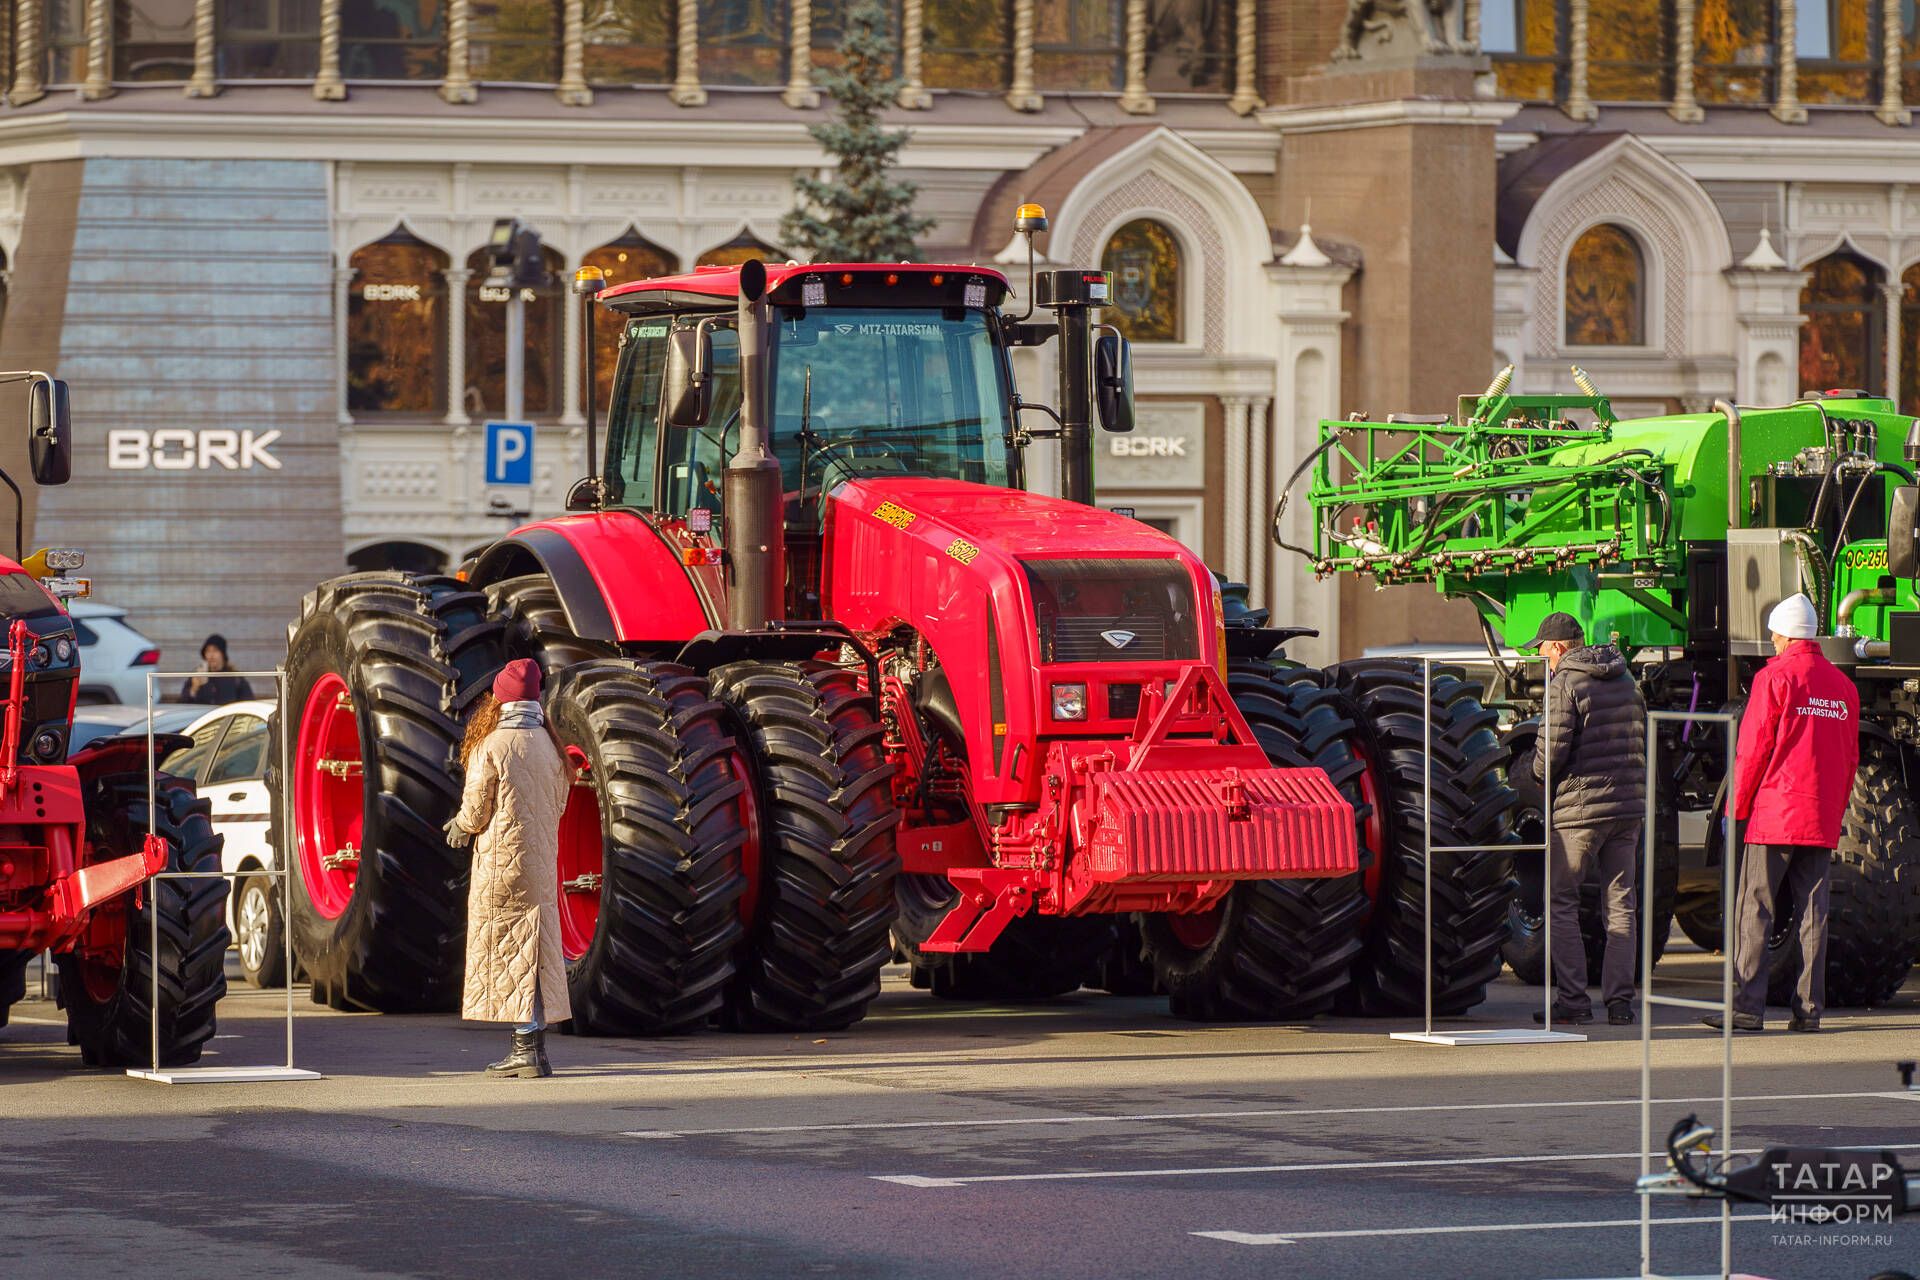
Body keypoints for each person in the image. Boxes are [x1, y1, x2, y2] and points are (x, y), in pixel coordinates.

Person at [1706, 593, 1858, 1034]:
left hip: (1775, 814)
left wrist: (1736, 808)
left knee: (1754, 907)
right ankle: (1809, 1010)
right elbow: (1850, 757)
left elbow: (1752, 750)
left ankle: (1746, 1009)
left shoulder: (1773, 680)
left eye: (1774, 636)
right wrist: (1836, 808)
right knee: (1814, 914)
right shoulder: (1843, 688)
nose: (1772, 643)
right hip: (1820, 816)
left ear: (1784, 636)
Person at [444, 658, 571, 1078]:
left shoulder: (492, 745)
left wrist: (460, 827)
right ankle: (535, 1049)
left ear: (501, 700)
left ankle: (523, 1048)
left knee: (511, 952)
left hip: (501, 864)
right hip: (540, 864)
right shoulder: (550, 745)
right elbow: (560, 804)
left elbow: (477, 809)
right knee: (534, 951)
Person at [1525, 611, 1647, 1027]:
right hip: (1628, 810)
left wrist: (1535, 774)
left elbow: (1551, 751)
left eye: (1543, 650)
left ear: (1559, 647)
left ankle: (1574, 1001)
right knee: (1621, 905)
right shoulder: (1626, 679)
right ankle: (1620, 1004)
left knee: (1562, 903)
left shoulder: (1565, 683)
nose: (1543, 658)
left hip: (1579, 812)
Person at [180, 634, 254, 705]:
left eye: (215, 650)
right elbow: (182, 703)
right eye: (208, 651)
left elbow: (249, 703)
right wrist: (193, 689)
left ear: (222, 654)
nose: (211, 655)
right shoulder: (198, 676)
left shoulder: (235, 678)